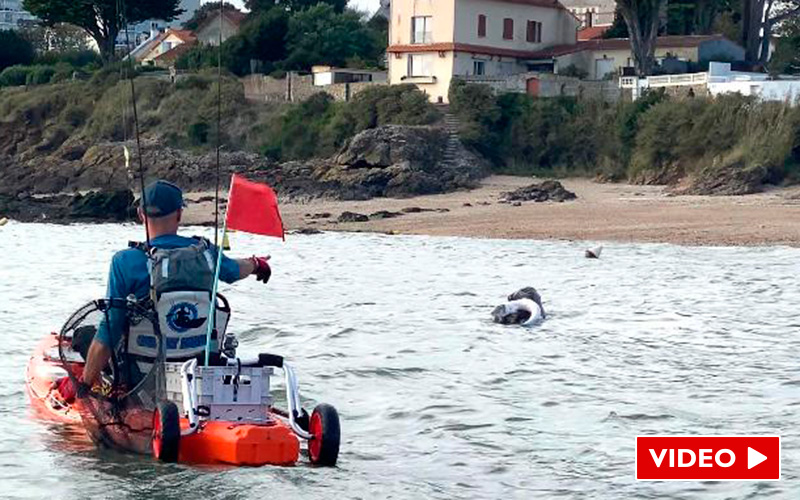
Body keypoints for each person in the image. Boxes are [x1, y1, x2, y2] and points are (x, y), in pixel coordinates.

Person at [56, 180, 272, 401]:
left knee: (84, 335)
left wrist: (84, 384)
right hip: (199, 367)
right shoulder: (208, 253)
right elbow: (235, 270)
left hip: (140, 375)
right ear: (179, 213)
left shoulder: (125, 261)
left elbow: (110, 329)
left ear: (141, 215)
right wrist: (256, 264)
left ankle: (100, 385)